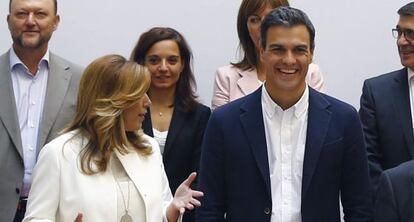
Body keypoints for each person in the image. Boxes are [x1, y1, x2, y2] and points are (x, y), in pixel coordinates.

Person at [197, 6, 372, 221]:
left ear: (312, 52)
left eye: (299, 50)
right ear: (262, 50)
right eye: (278, 49)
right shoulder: (224, 121)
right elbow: (209, 209)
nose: (289, 60)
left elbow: (360, 208)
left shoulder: (344, 119)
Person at [22, 54, 203, 222]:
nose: (148, 102)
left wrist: (172, 209)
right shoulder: (58, 154)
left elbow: (158, 213)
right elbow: (35, 218)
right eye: (140, 94)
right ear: (114, 100)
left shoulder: (150, 148)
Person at [0, 0, 83, 221]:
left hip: (55, 212)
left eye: (40, 14)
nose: (30, 21)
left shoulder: (79, 80)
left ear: (55, 21)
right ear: (8, 21)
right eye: (21, 14)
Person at [130, 27, 211, 222]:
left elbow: (200, 176)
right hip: (134, 212)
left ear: (183, 64)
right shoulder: (128, 113)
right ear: (141, 63)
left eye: (172, 60)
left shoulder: (200, 115)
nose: (163, 68)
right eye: (154, 60)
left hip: (185, 214)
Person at [211, 0, 324, 109]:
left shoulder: (310, 73)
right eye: (255, 20)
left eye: (271, 17)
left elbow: (321, 120)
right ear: (245, 27)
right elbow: (223, 125)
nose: (263, 27)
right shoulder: (226, 77)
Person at [359, 1, 414, 196]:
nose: (401, 41)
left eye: (410, 34)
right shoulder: (376, 93)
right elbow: (368, 163)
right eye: (399, 32)